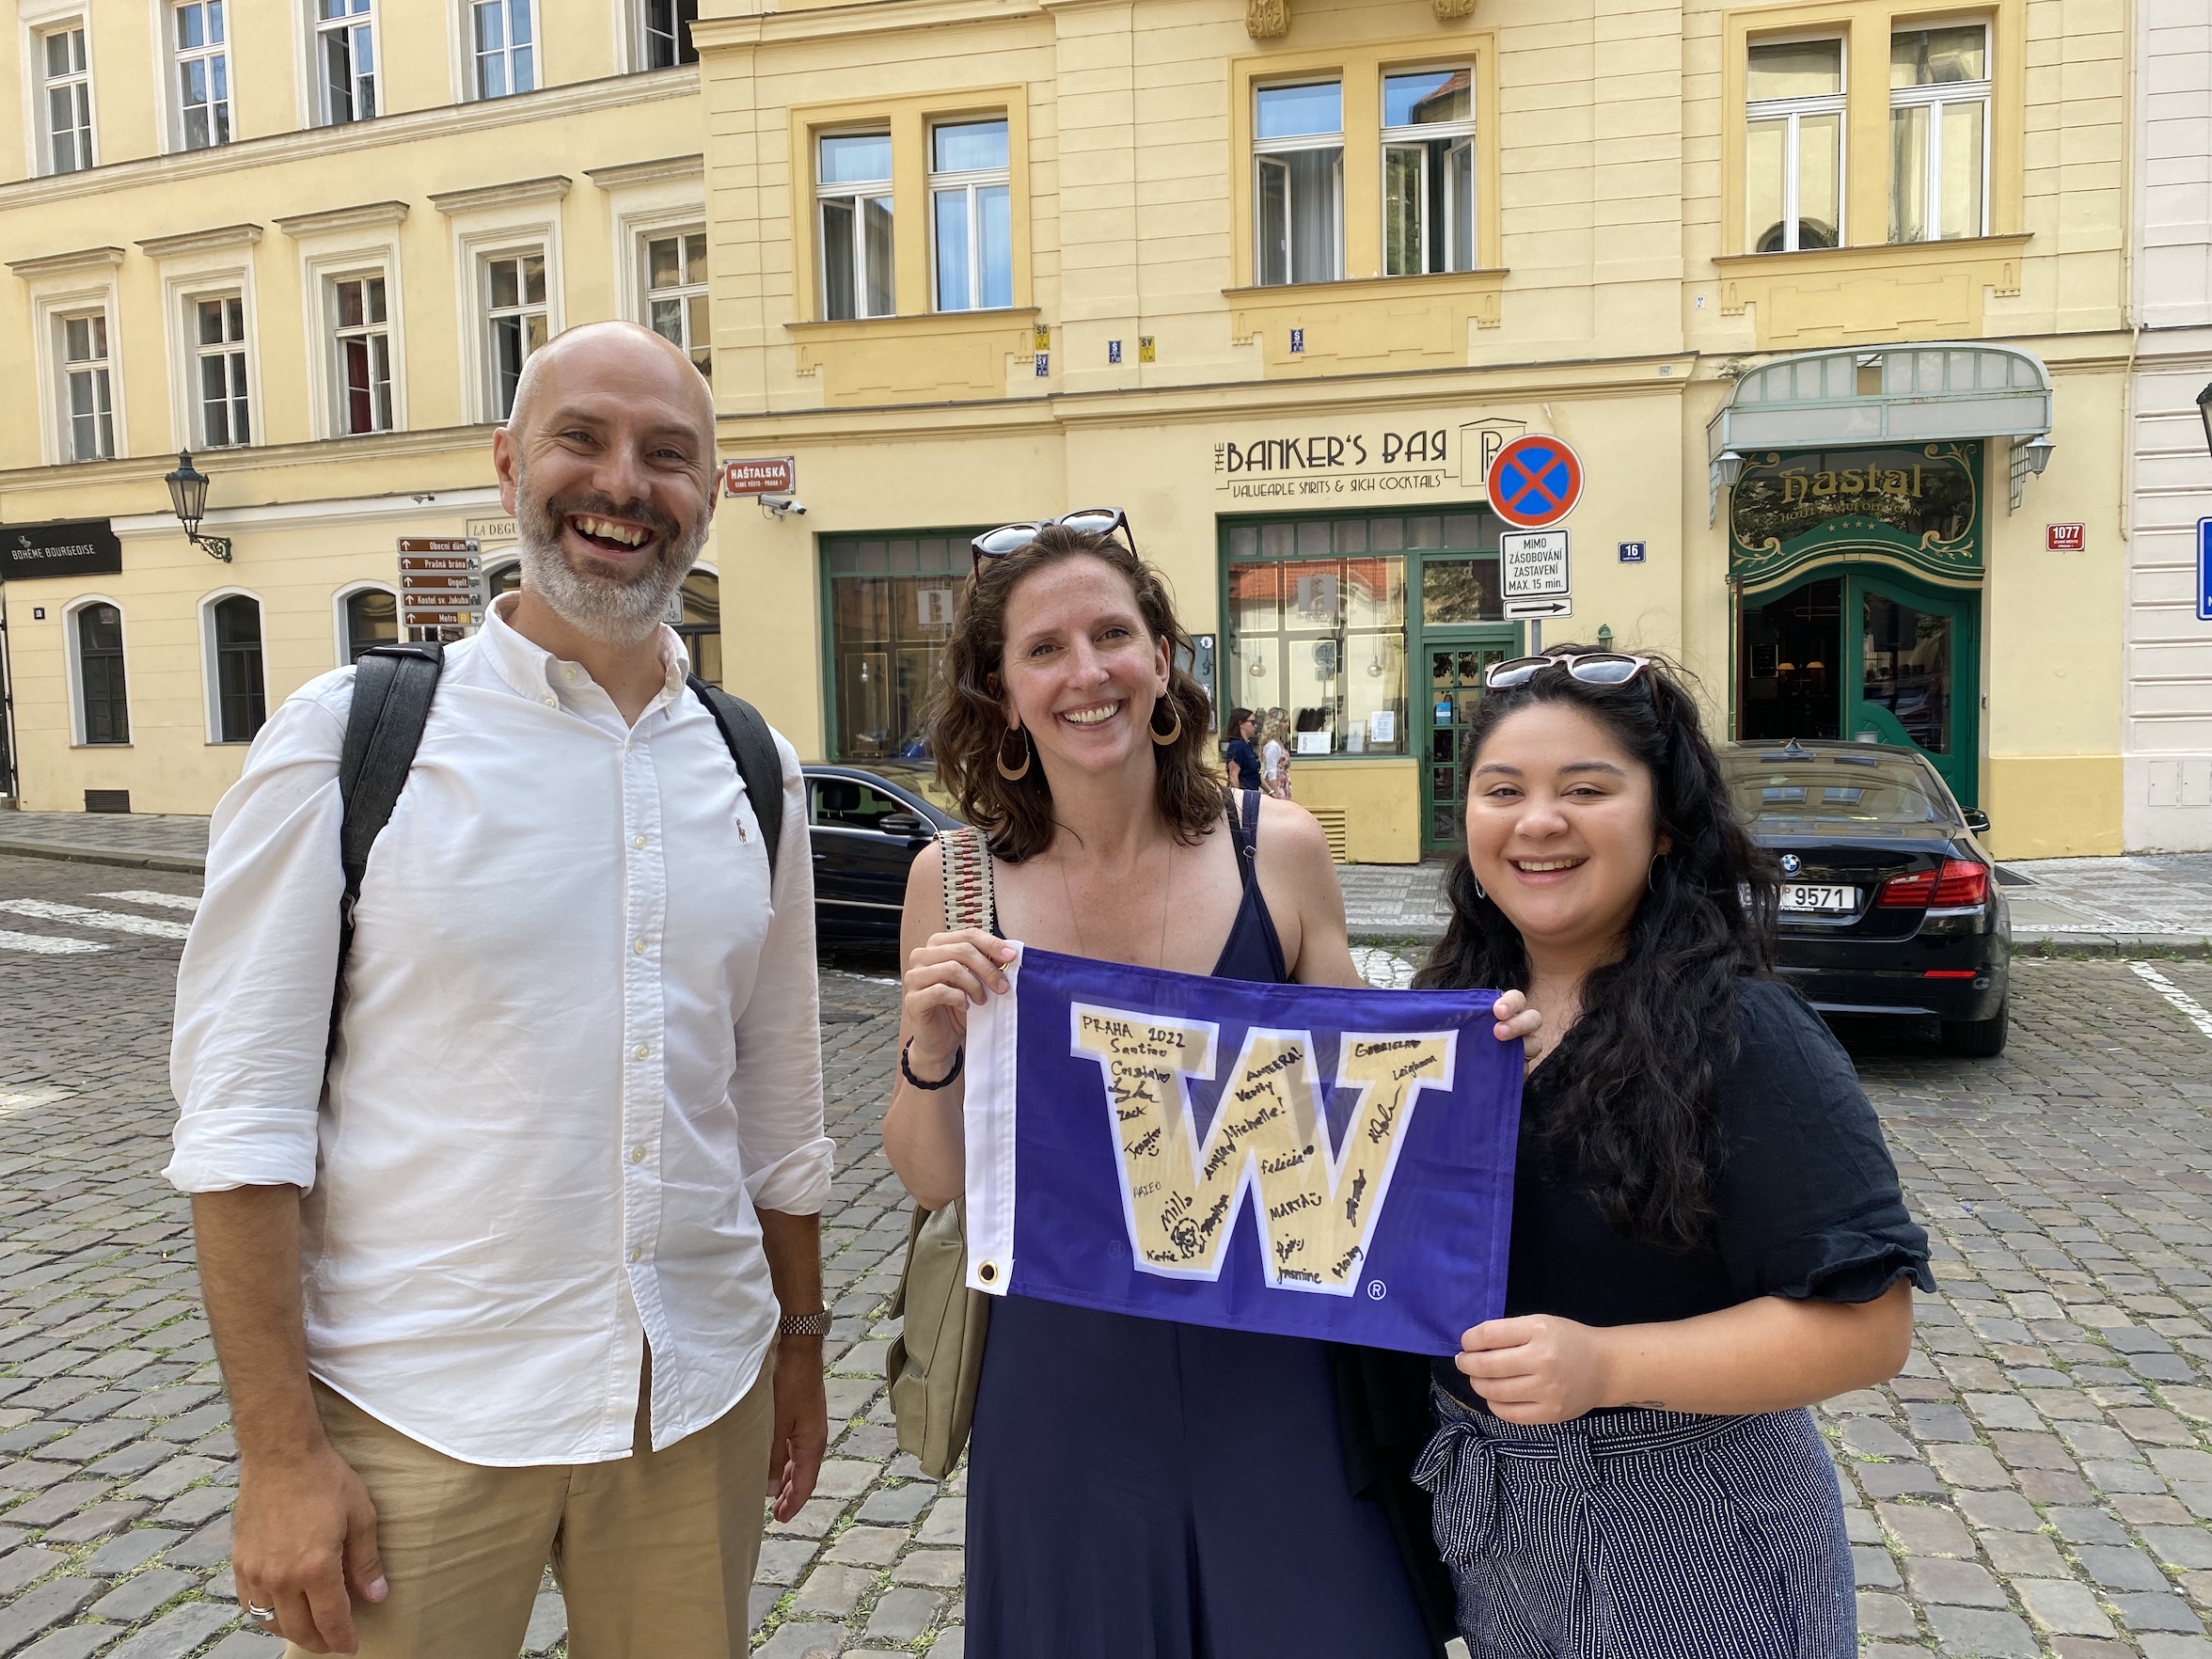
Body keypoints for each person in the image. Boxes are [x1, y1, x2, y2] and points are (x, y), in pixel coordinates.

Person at [168, 322, 833, 1659]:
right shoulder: (349, 739)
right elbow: (241, 1125)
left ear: (709, 492)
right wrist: (279, 1457)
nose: (623, 485)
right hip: (420, 1410)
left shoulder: (757, 768)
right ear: (508, 465)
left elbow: (778, 1097)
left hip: (689, 1402)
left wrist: (800, 1347)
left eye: (668, 456)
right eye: (580, 439)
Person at [882, 522, 1539, 1659]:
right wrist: (928, 1043)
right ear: (1002, 692)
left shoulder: (1272, 848)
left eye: (1112, 635)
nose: (1086, 673)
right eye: (1045, 649)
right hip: (1064, 1374)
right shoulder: (954, 881)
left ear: (1162, 659)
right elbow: (938, 1177)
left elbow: (1354, 1102)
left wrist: (1468, 1068)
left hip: (1275, 1362)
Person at [1410, 647, 1931, 1658]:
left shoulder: (1744, 1031)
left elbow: (1872, 1327)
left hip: (1691, 1528)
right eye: (1502, 790)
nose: (1538, 822)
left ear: (1664, 825)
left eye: (1586, 789)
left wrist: (1606, 1363)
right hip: (1499, 1519)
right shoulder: (1446, 1025)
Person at [1259, 705, 1293, 798]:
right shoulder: (1273, 745)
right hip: (1276, 785)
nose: (1287, 725)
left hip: (1282, 783)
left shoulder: (1278, 742)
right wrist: (1275, 792)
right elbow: (1271, 770)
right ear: (1276, 723)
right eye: (1284, 721)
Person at [1223, 705, 1260, 790]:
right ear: (1241, 724)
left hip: (1253, 792)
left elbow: (1255, 774)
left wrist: (1271, 791)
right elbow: (1233, 776)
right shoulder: (1236, 746)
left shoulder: (1247, 745)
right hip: (1244, 793)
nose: (1256, 726)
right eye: (1252, 722)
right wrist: (1238, 799)